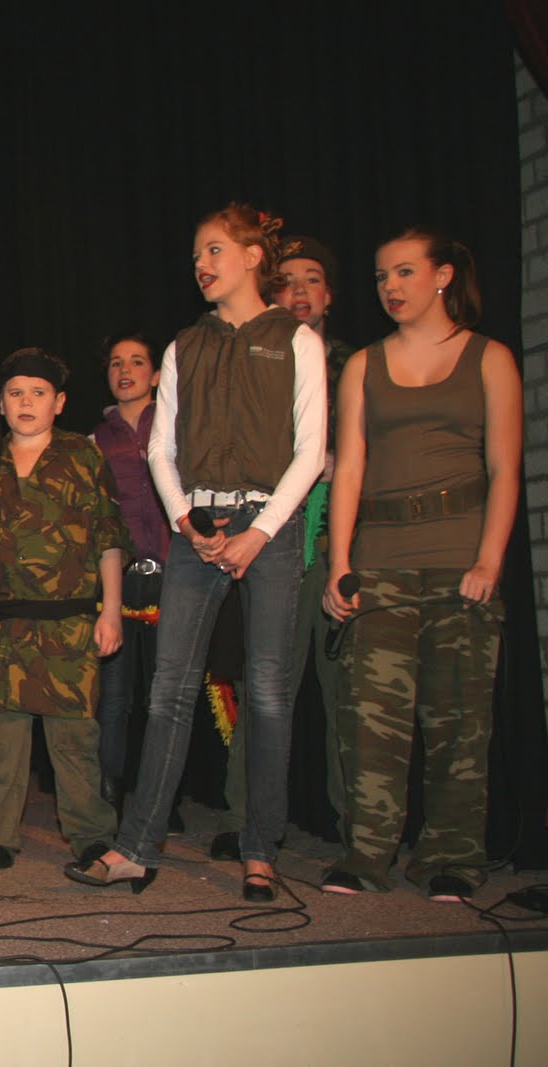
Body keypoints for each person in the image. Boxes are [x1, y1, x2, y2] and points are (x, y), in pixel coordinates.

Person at [65, 203, 326, 901]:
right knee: (169, 690)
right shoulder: (185, 345)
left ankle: (260, 848)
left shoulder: (296, 340)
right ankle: (136, 845)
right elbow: (161, 446)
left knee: (267, 690)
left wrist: (260, 532)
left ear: (252, 256)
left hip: (270, 526)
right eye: (196, 255)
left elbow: (311, 450)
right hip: (197, 524)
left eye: (213, 250)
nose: (201, 264)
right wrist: (184, 517)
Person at [321, 227, 520, 901]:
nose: (391, 287)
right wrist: (340, 562)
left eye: (405, 272)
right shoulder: (364, 365)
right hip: (380, 565)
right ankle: (366, 854)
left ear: (442, 275)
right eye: (382, 276)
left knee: (459, 724)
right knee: (370, 724)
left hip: (460, 564)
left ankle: (451, 858)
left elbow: (504, 468)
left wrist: (489, 560)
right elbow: (349, 468)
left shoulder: (489, 357)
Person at [210, 235, 358, 860]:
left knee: (349, 696)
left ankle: (360, 833)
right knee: (265, 686)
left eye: (312, 279)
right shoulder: (254, 359)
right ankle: (243, 819)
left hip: (337, 545)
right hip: (270, 543)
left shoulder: (357, 366)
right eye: (286, 280)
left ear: (330, 294)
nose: (298, 291)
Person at [0, 348, 127, 879]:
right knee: (2, 739)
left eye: (38, 393)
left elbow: (108, 538)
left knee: (74, 740)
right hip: (3, 625)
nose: (26, 402)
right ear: (1, 405)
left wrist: (111, 611)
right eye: (15, 393)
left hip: (69, 623)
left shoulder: (82, 456)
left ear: (60, 402)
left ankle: (92, 838)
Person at [90, 333, 168, 817]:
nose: (125, 371)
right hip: (118, 579)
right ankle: (109, 799)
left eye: (137, 362)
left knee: (164, 697)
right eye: (116, 363)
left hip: (174, 577)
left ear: (155, 375)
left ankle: (161, 798)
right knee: (114, 698)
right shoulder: (95, 441)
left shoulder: (177, 426)